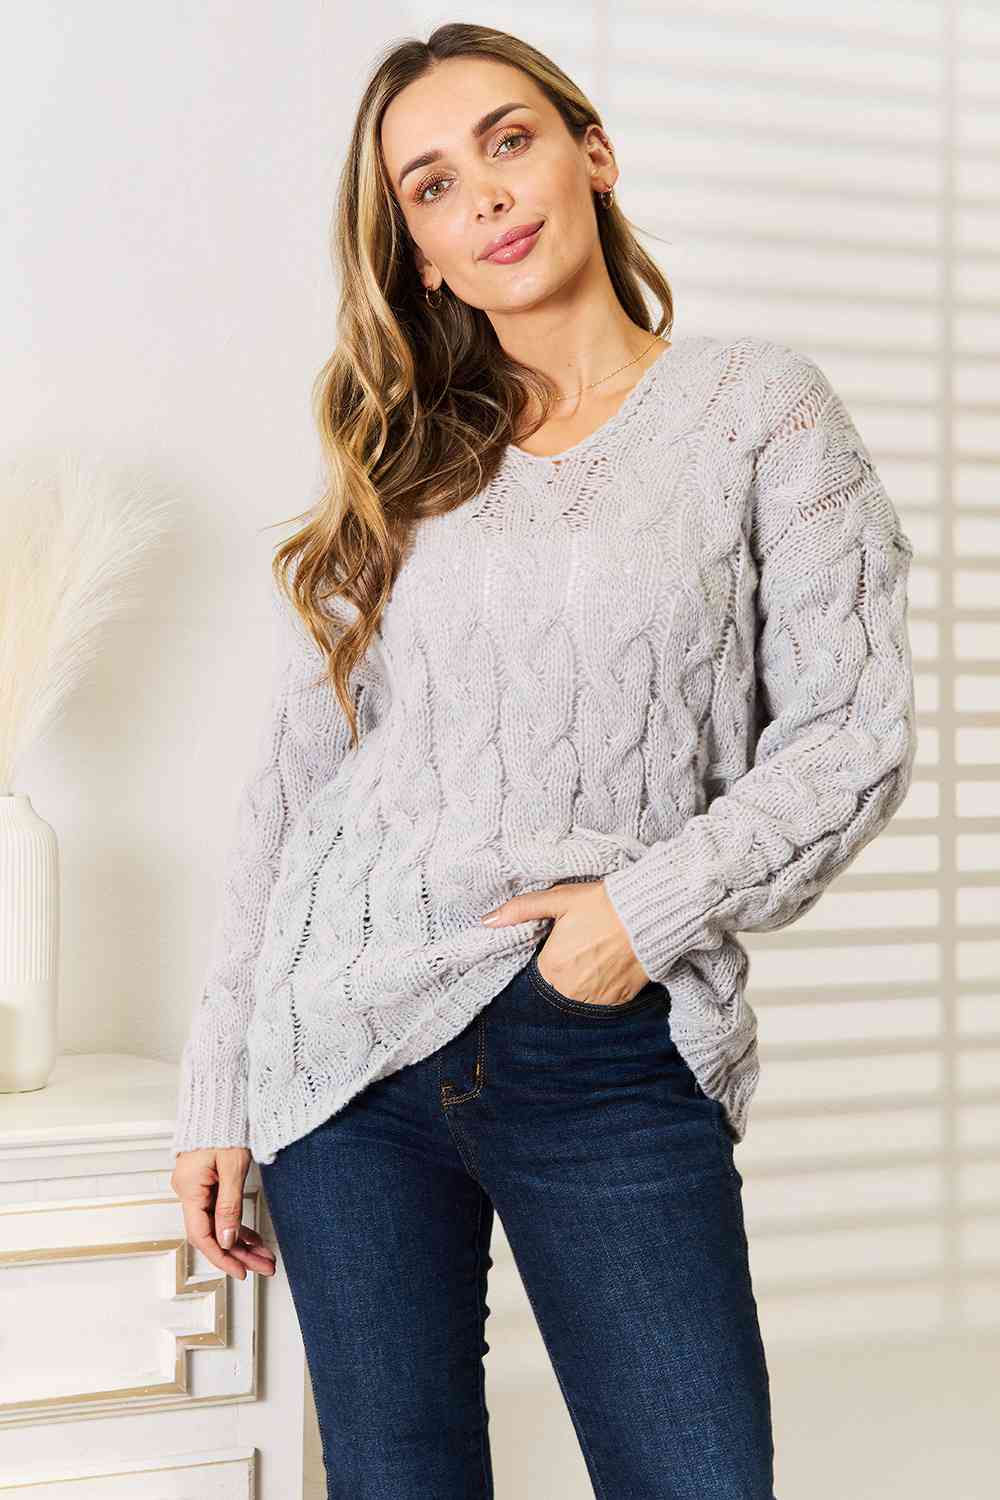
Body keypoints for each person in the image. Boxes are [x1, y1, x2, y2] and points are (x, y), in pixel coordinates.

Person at [170, 22, 917, 1500]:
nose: (488, 197)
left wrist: (636, 918)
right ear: (422, 256)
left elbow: (852, 731)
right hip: (344, 1054)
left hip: (600, 1039)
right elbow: (298, 783)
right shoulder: (402, 458)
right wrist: (218, 1085)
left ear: (593, 154)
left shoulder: (757, 409)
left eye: (509, 143)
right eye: (434, 186)